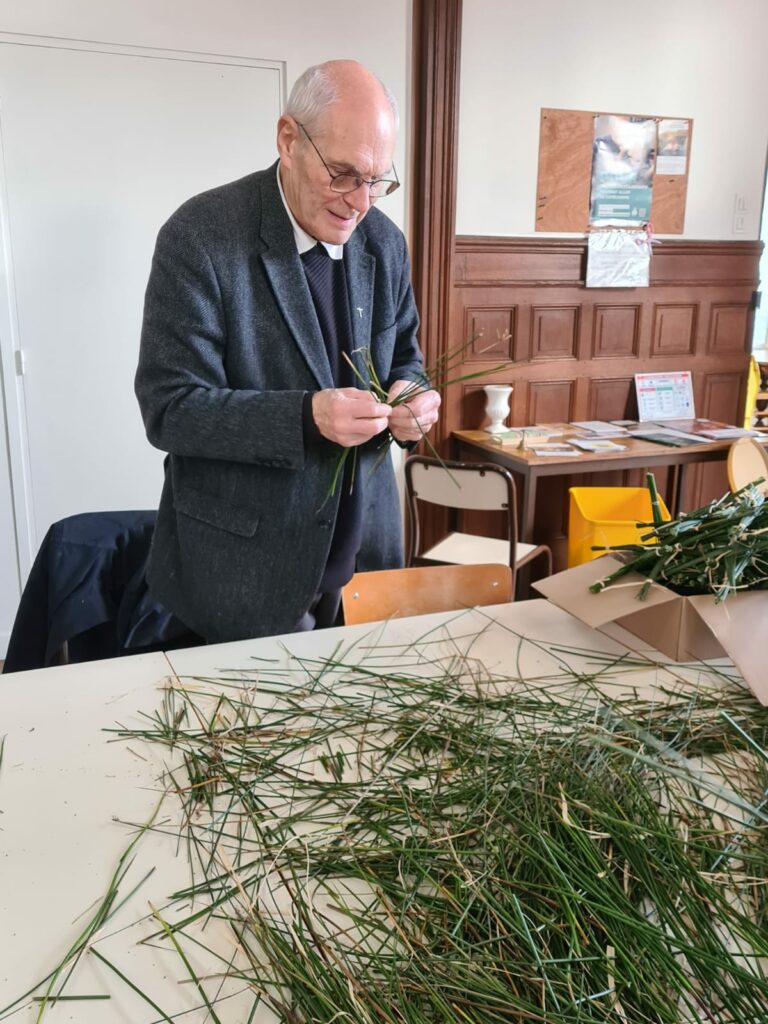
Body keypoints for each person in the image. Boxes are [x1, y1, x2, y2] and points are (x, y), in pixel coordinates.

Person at [135, 60, 440, 644]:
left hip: (365, 556)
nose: (361, 203)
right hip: (245, 571)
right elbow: (170, 409)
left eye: (377, 180)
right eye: (343, 175)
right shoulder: (201, 236)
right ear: (288, 139)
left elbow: (406, 356)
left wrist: (415, 397)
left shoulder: (384, 242)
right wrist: (306, 418)